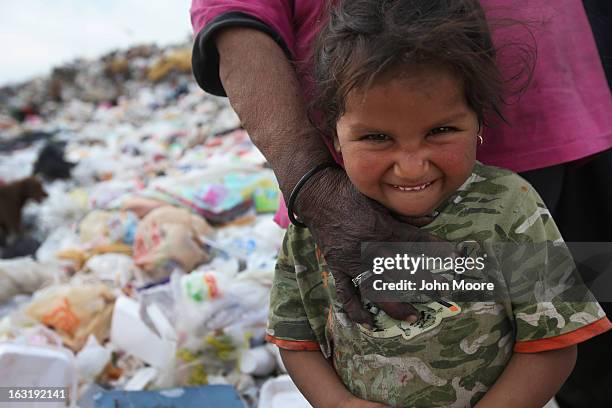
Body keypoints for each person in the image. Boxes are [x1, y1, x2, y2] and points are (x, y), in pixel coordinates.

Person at [190, 0, 612, 405]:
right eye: (376, 137)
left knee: (601, 367)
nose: (411, 169)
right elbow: (298, 337)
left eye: (440, 130)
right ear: (333, 131)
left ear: (479, 119)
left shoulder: (514, 208)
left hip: (567, 138)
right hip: (332, 186)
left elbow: (559, 339)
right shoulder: (313, 229)